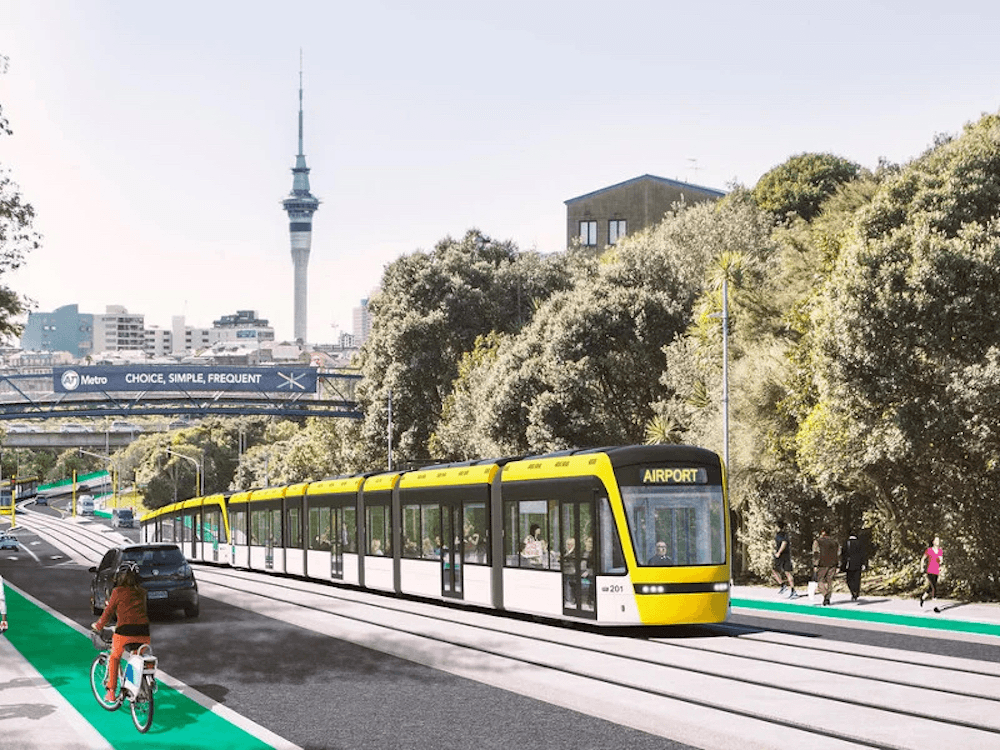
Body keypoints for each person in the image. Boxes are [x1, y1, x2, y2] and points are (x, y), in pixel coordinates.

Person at [91, 560, 150, 703]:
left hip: (125, 632)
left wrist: (98, 626)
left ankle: (111, 692)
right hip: (144, 633)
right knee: (136, 657)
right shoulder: (142, 592)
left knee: (115, 657)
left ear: (120, 577)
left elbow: (108, 613)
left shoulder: (117, 592)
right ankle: (137, 687)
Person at [812, 528, 840, 606]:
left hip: (822, 564)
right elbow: (837, 554)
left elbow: (816, 553)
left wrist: (815, 564)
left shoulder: (818, 542)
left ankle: (825, 594)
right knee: (829, 581)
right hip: (833, 564)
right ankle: (828, 597)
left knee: (820, 581)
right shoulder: (835, 542)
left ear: (822, 533)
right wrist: (838, 565)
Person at [840, 531, 867, 601]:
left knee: (849, 579)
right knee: (857, 579)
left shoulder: (846, 543)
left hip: (849, 564)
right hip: (858, 564)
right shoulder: (860, 543)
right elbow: (863, 554)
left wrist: (842, 564)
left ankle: (852, 591)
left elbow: (843, 554)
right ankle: (856, 591)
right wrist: (864, 563)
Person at [771, 522, 796, 597]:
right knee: (775, 570)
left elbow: (784, 543)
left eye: (775, 526)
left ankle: (793, 591)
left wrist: (779, 552)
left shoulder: (783, 534)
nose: (774, 528)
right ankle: (783, 585)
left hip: (784, 556)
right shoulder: (779, 534)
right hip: (781, 556)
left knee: (787, 572)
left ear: (778, 526)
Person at [920, 536, 943, 607]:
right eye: (936, 540)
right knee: (934, 587)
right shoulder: (929, 550)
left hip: (936, 571)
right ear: (933, 542)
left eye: (938, 540)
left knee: (931, 588)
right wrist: (921, 567)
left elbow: (941, 561)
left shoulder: (940, 551)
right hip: (930, 571)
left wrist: (940, 561)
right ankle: (935, 606)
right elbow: (923, 559)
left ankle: (923, 597)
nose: (938, 542)